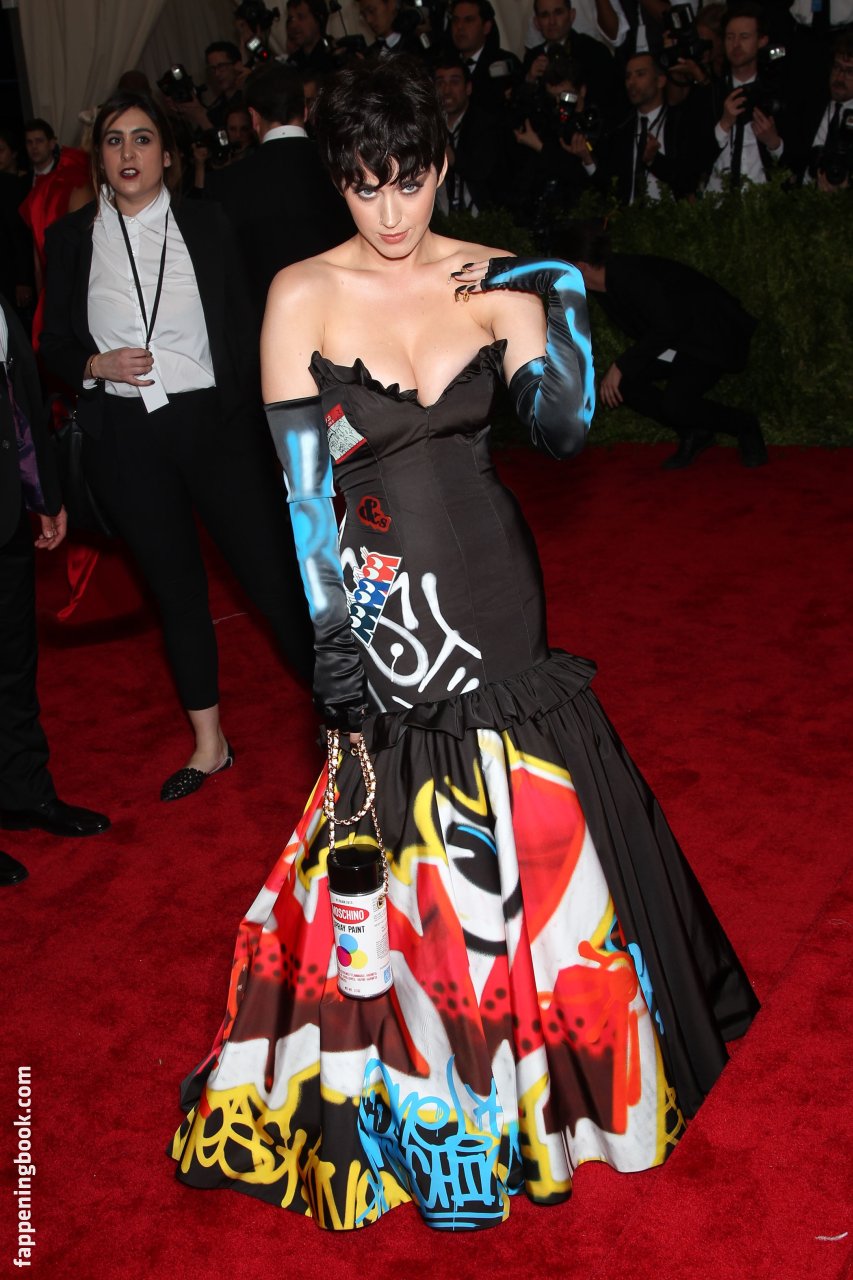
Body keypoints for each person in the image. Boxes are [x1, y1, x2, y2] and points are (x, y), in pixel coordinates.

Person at [170, 57, 759, 1230]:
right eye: (364, 184)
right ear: (336, 176)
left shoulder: (491, 276)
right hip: (383, 606)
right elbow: (302, 498)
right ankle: (435, 1090)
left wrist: (549, 290)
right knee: (403, 847)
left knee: (530, 824)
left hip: (496, 587)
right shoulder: (301, 294)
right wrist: (332, 649)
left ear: (441, 164)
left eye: (410, 179)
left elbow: (567, 431)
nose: (390, 211)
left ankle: (555, 1085)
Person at [39, 91, 314, 801]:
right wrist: (94, 364)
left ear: (166, 154)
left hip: (217, 429)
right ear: (99, 158)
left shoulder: (209, 221)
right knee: (177, 592)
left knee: (272, 579)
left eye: (141, 139)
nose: (128, 153)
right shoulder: (70, 240)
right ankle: (209, 745)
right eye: (113, 141)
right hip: (126, 438)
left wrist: (273, 422)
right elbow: (53, 343)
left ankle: (344, 721)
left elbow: (250, 326)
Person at [0, 293, 110, 885]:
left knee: (14, 665)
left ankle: (22, 793)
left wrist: (42, 492)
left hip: (5, 514)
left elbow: (17, 400)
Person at [563, 219, 768, 469]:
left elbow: (669, 326)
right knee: (624, 385)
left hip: (711, 340)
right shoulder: (600, 285)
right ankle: (695, 432)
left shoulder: (630, 276)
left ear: (581, 267)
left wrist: (620, 365)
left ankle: (745, 425)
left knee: (674, 403)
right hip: (676, 342)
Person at [204, 62, 354, 319]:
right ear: (305, 111)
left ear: (253, 117)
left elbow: (226, 281)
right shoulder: (343, 166)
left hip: (267, 325)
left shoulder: (223, 184)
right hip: (345, 316)